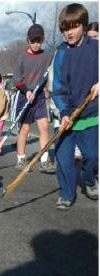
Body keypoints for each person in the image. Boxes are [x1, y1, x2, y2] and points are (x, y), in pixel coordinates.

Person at [52, 3, 98, 210]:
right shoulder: (61, 53)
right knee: (63, 158)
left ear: (83, 25)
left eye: (73, 27)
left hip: (90, 114)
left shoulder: (96, 48)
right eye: (64, 28)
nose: (68, 32)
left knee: (93, 156)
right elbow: (58, 87)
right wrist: (63, 112)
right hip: (66, 116)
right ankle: (66, 193)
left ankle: (89, 180)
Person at [13, 24, 56, 174]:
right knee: (24, 129)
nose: (36, 43)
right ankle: (21, 158)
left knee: (44, 127)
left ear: (43, 39)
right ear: (28, 40)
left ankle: (44, 160)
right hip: (25, 97)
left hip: (39, 97)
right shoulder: (22, 57)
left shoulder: (48, 56)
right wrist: (26, 91)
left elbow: (54, 67)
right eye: (33, 41)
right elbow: (17, 80)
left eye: (38, 40)